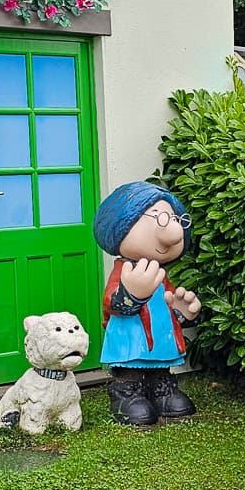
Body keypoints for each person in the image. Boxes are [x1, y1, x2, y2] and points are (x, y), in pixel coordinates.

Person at [92, 180, 203, 428]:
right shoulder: (123, 270)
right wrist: (131, 294)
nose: (173, 232)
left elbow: (170, 299)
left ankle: (162, 390)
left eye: (174, 219)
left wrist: (182, 312)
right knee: (131, 371)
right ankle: (126, 393)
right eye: (160, 219)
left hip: (161, 337)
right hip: (129, 337)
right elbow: (111, 301)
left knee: (161, 367)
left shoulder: (163, 275)